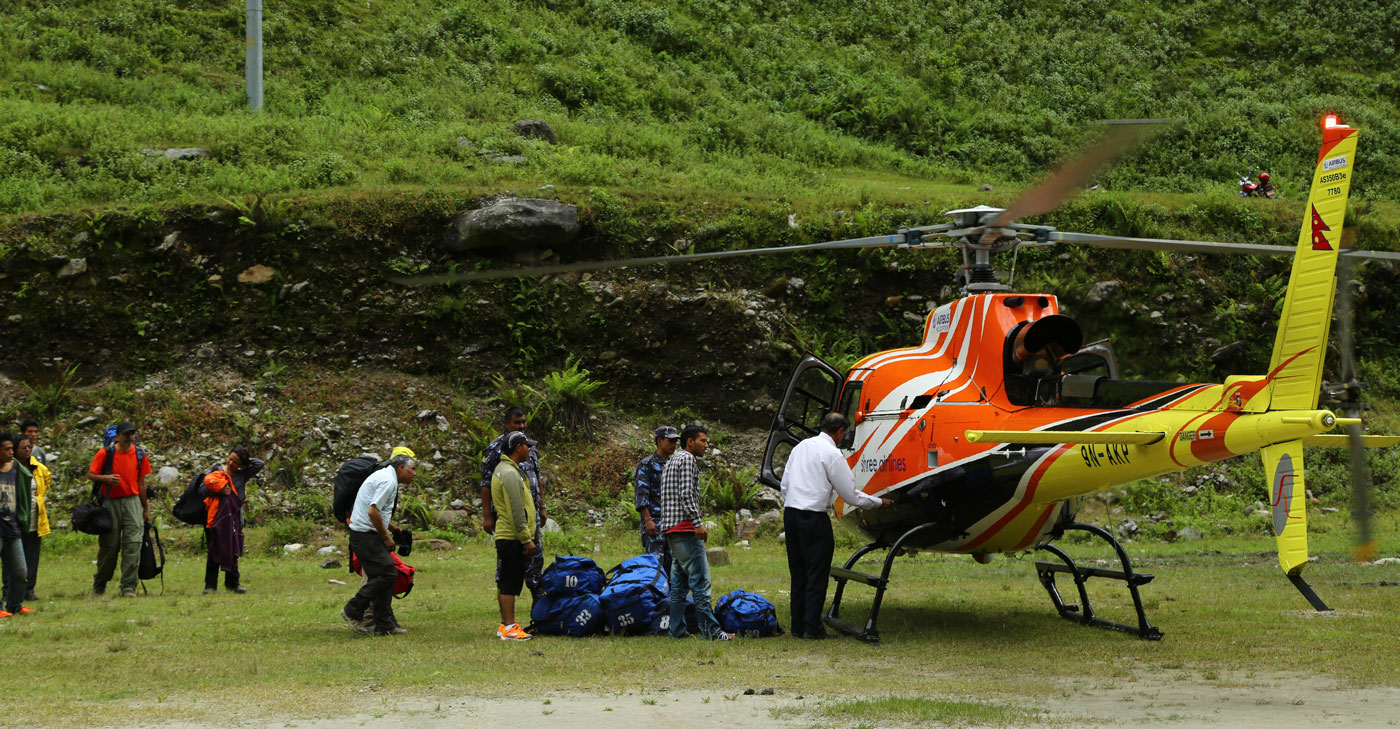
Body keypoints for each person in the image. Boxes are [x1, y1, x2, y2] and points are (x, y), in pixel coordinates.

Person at [780, 412, 893, 639]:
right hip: (813, 517)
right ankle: (812, 628)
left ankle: (798, 626)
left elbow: (785, 484)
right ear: (840, 431)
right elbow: (851, 495)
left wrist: (796, 501)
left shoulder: (800, 447)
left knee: (799, 572)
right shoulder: (832, 454)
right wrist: (880, 503)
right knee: (817, 573)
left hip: (791, 514)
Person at [658, 425, 732, 640]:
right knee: (700, 581)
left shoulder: (671, 460)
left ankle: (677, 630)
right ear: (690, 442)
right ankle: (712, 632)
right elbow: (687, 494)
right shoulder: (688, 460)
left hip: (671, 528)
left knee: (679, 585)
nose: (706, 446)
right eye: (703, 441)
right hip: (685, 528)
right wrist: (697, 523)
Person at [341, 453, 416, 636]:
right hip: (365, 535)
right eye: (412, 469)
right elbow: (373, 511)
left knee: (386, 575)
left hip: (365, 533)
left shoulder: (386, 476)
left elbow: (374, 510)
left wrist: (391, 527)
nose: (414, 474)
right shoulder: (388, 482)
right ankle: (353, 609)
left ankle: (385, 625)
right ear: (401, 468)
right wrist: (386, 536)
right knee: (389, 573)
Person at [480, 406, 546, 597]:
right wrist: (486, 516)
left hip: (531, 511)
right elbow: (485, 484)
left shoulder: (529, 445)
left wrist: (542, 506)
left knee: (536, 557)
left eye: (524, 422)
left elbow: (538, 477)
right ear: (507, 423)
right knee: (509, 561)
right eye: (517, 422)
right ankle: (505, 594)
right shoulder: (495, 449)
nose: (522, 425)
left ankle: (538, 596)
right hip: (509, 514)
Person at [85, 421, 150, 598]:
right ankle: (100, 583)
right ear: (118, 436)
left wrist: (145, 509)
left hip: (132, 502)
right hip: (110, 503)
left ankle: (128, 587)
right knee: (109, 546)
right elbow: (91, 474)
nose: (130, 437)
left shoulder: (139, 454)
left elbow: (142, 483)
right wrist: (105, 478)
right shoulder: (105, 453)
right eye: (127, 434)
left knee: (133, 544)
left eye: (132, 434)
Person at [491, 431, 538, 641]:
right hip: (511, 535)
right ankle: (509, 627)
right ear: (518, 447)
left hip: (510, 534)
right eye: (527, 445)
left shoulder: (508, 469)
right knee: (510, 582)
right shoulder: (509, 473)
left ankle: (506, 625)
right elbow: (516, 509)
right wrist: (526, 537)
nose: (530, 449)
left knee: (506, 581)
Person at [202, 447, 263, 594]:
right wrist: (219, 490)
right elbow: (202, 490)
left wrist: (246, 462)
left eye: (235, 462)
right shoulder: (216, 471)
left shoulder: (242, 475)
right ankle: (210, 586)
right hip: (215, 517)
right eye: (230, 458)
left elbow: (260, 464)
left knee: (233, 549)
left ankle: (233, 583)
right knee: (214, 550)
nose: (231, 463)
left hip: (234, 517)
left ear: (241, 465)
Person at [634, 425, 679, 572]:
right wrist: (648, 520)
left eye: (675, 442)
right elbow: (642, 494)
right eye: (670, 441)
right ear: (659, 441)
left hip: (672, 523)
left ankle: (674, 595)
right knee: (655, 567)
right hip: (655, 522)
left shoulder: (675, 465)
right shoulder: (647, 465)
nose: (673, 445)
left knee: (674, 567)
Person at [0, 433, 35, 617]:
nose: (11, 452)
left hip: (12, 527)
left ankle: (15, 604)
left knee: (20, 571)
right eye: (7, 449)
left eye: (12, 449)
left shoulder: (17, 469)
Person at [15, 436, 49, 603]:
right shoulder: (10, 468)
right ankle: (14, 590)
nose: (28, 450)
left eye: (29, 447)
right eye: (23, 448)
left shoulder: (38, 467)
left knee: (32, 556)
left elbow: (46, 480)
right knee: (15, 558)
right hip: (17, 520)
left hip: (36, 518)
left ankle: (30, 589)